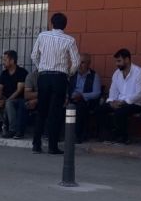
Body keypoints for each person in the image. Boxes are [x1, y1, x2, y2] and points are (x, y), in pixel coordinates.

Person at [30, 12, 80, 154]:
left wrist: (41, 68)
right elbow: (76, 62)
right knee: (55, 112)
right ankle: (52, 146)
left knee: (41, 111)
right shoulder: (69, 40)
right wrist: (69, 74)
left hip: (44, 76)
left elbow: (34, 56)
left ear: (51, 23)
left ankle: (36, 144)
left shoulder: (42, 36)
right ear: (65, 25)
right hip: (59, 77)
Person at [98, 49, 141, 144]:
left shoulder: (139, 73)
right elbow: (113, 91)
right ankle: (110, 134)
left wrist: (124, 102)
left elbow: (139, 94)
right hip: (119, 102)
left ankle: (123, 138)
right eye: (116, 61)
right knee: (100, 110)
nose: (117, 64)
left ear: (127, 60)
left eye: (119, 61)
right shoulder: (116, 74)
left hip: (135, 103)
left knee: (120, 112)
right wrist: (111, 102)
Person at [0, 50, 27, 137]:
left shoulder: (22, 72)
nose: (3, 62)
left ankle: (12, 130)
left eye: (5, 60)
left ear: (12, 61)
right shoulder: (4, 73)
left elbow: (18, 90)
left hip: (17, 99)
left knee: (9, 103)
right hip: (5, 97)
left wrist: (7, 100)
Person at [67, 53, 102, 143]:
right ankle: (57, 134)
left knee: (79, 108)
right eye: (78, 62)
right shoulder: (72, 74)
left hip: (85, 102)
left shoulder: (94, 76)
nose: (79, 65)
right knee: (58, 105)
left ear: (88, 64)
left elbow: (97, 93)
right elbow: (66, 88)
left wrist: (82, 95)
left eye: (82, 62)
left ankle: (77, 136)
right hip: (71, 99)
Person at [14, 69, 39, 139]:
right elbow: (27, 95)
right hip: (34, 100)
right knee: (23, 104)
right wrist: (43, 93)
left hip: (47, 100)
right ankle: (18, 131)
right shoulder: (32, 76)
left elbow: (52, 95)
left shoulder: (53, 76)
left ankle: (48, 133)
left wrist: (36, 100)